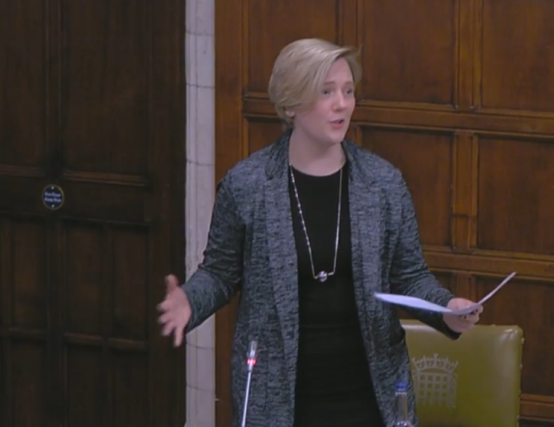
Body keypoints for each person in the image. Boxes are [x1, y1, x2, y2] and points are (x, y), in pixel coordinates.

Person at [158, 38, 482, 427]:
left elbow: (410, 276)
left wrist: (448, 311)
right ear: (291, 104)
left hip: (369, 389)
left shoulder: (383, 183)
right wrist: (190, 301)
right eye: (326, 92)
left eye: (348, 91)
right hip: (277, 393)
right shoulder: (248, 184)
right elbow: (221, 273)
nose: (342, 103)